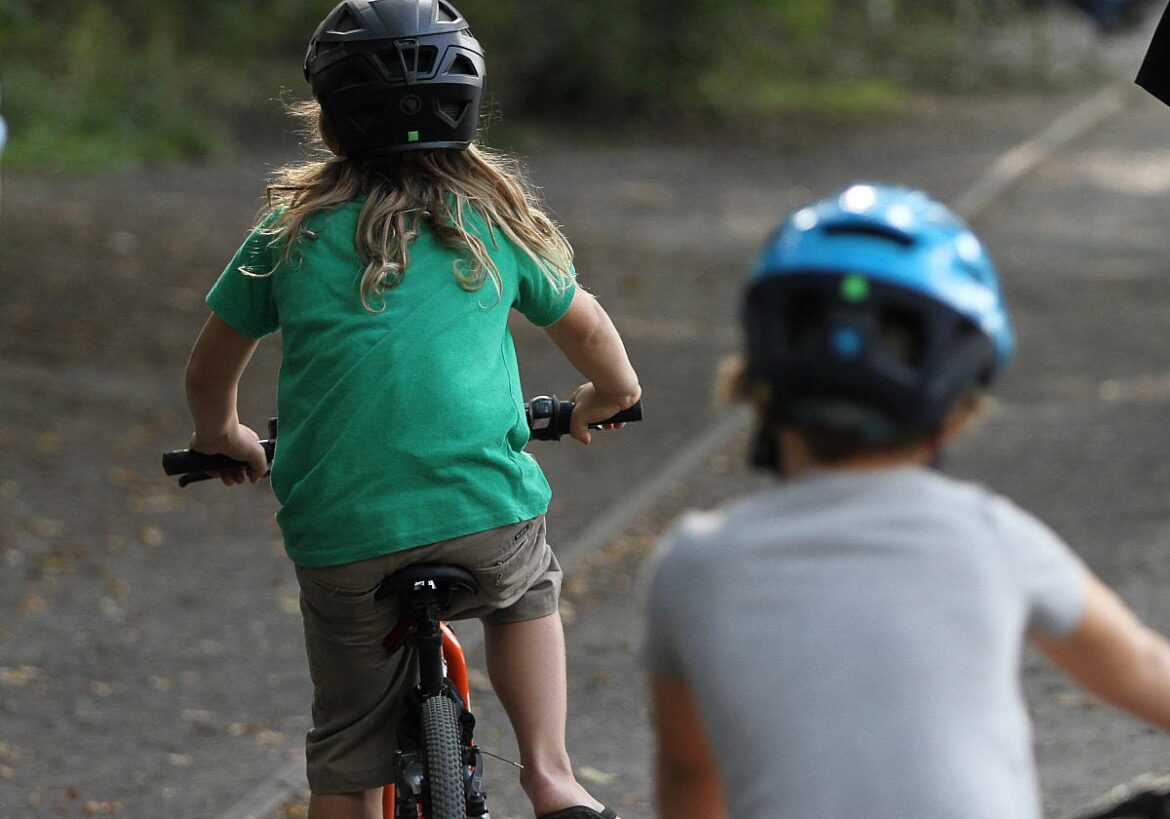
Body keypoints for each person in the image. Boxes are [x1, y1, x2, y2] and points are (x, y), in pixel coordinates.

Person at [181, 2, 638, 818]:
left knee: (348, 756)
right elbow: (591, 328)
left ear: (330, 116)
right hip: (484, 519)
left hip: (344, 535)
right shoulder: (492, 221)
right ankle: (553, 773)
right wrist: (606, 398)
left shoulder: (287, 235)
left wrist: (222, 435)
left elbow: (210, 366)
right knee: (528, 585)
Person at [642, 184, 1170, 819]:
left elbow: (689, 770)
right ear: (958, 408)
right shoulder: (990, 537)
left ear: (755, 383)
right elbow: (1141, 668)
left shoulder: (692, 565)